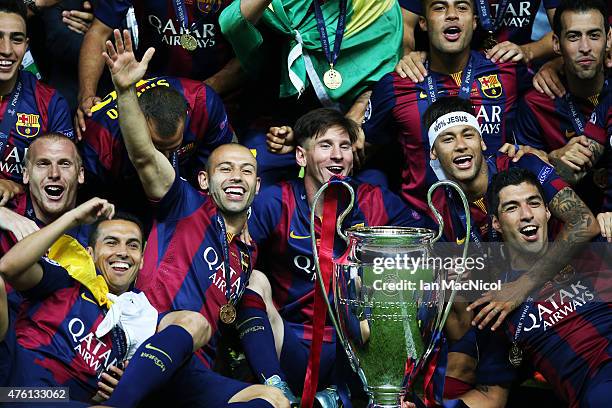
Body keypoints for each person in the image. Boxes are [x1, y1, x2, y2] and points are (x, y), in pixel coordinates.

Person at [100, 29, 287, 408]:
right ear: (203, 178)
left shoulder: (246, 255)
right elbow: (143, 156)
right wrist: (124, 92)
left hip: (193, 371)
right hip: (150, 340)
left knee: (273, 400)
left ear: (257, 186)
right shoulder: (184, 202)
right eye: (225, 169)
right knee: (192, 321)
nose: (236, 176)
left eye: (246, 171)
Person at [239, 108, 429, 404]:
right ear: (301, 157)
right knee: (253, 278)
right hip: (288, 338)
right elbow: (237, 251)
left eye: (344, 147)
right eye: (325, 146)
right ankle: (275, 387)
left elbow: (432, 248)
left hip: (357, 343)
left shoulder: (375, 200)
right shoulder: (277, 202)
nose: (337, 155)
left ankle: (357, 392)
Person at [421, 96, 599, 331]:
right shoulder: (439, 207)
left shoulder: (521, 165)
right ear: (434, 152)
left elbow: (585, 223)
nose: (461, 145)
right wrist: (458, 279)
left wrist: (521, 287)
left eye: (468, 134)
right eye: (448, 139)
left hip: (571, 288)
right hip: (504, 315)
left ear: (482, 143)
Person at [362, 0, 523, 214]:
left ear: (475, 22)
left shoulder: (506, 72)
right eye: (439, 7)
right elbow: (363, 147)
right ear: (423, 23)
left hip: (495, 220)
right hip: (425, 223)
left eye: (462, 7)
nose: (452, 15)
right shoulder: (396, 84)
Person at [487, 167, 612, 407]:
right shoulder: (497, 300)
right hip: (597, 390)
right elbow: (490, 393)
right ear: (496, 223)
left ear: (547, 212)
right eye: (512, 208)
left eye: (534, 203)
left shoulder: (590, 248)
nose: (526, 214)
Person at [76, 0, 243, 138]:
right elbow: (99, 33)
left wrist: (197, 95)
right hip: (150, 98)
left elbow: (249, 54)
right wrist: (87, 94)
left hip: (218, 99)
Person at [79, 73, 234, 221]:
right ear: (136, 123)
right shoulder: (99, 138)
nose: (164, 158)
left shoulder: (202, 102)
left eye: (173, 147)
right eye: (157, 147)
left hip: (186, 177)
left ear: (187, 115)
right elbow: (91, 208)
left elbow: (225, 161)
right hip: (123, 194)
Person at [513, 0, 610, 209]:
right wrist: (551, 159)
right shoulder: (534, 105)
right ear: (556, 44)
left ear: (608, 39)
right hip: (567, 222)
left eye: (594, 35)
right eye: (573, 37)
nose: (585, 48)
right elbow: (522, 185)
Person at [0, 0, 73, 189]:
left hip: (27, 216)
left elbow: (62, 181)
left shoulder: (51, 103)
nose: (6, 50)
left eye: (16, 39)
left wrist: (17, 188)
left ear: (26, 45)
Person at [396, 0, 559, 82]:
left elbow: (568, 28)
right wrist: (410, 57)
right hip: (444, 73)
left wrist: (529, 51)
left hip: (514, 72)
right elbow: (405, 25)